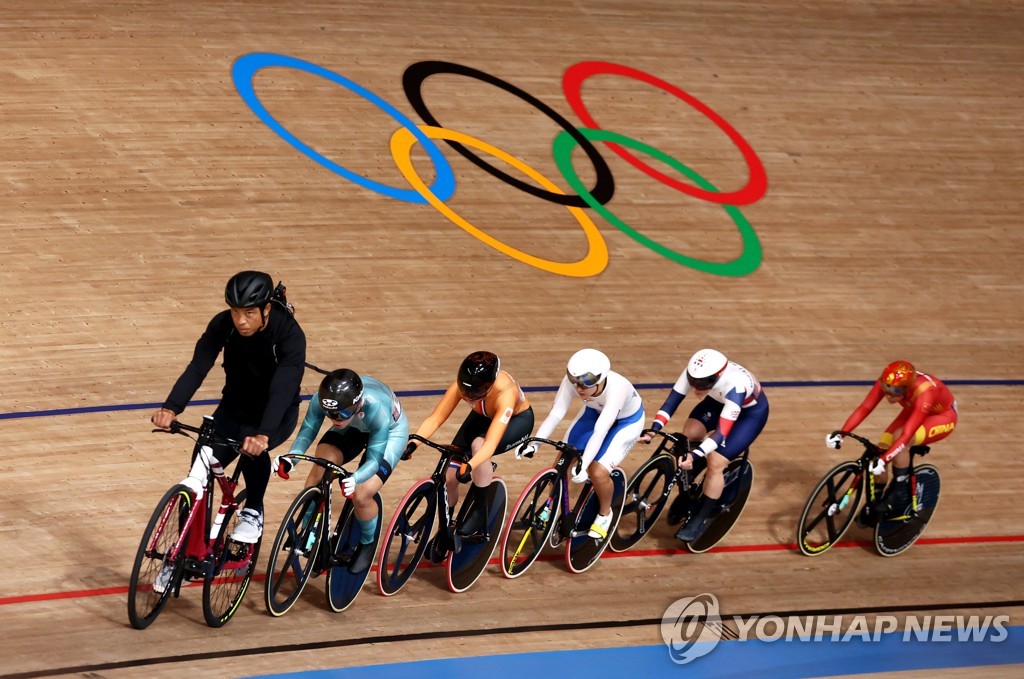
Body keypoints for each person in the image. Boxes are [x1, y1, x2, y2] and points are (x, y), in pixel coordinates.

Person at [151, 271, 306, 546]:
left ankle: (253, 511)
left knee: (251, 446)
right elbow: (198, 366)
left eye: (248, 313)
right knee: (197, 476)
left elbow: (282, 390)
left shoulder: (289, 335)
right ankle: (184, 555)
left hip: (275, 413)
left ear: (266, 308)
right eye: (235, 311)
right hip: (234, 406)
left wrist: (263, 435)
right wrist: (171, 407)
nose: (241, 320)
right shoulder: (224, 324)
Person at [273, 368, 408, 573]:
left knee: (362, 494)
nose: (335, 418)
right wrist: (291, 459)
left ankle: (366, 544)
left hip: (389, 433)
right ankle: (310, 531)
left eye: (341, 413)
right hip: (353, 425)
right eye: (330, 414)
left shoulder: (376, 408)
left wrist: (356, 478)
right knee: (319, 469)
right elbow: (307, 432)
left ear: (358, 404)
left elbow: (373, 460)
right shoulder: (327, 402)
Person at [405, 351, 534, 548]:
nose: (468, 396)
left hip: (516, 421)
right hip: (484, 414)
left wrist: (470, 465)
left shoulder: (506, 393)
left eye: (475, 392)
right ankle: (445, 529)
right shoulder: (464, 385)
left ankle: (480, 510)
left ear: (489, 385)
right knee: (449, 476)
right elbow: (436, 418)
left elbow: (489, 444)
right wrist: (415, 442)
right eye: (466, 392)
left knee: (478, 446)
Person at [641, 348, 768, 543]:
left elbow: (720, 434)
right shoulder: (696, 373)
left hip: (747, 415)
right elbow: (671, 403)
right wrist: (654, 428)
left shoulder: (736, 387)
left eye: (701, 385)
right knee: (689, 435)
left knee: (716, 461)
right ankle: (689, 489)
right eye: (693, 383)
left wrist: (696, 454)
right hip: (717, 401)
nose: (695, 389)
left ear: (717, 377)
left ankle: (700, 517)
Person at [525, 348, 644, 540]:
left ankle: (605, 513)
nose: (579, 389)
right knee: (562, 462)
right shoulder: (575, 381)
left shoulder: (617, 388)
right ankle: (555, 510)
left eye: (586, 384)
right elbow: (556, 413)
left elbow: (601, 430)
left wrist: (584, 464)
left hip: (626, 422)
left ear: (601, 378)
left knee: (597, 471)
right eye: (576, 383)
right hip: (594, 413)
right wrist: (535, 444)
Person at [826, 360, 957, 521]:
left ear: (906, 388)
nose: (888, 394)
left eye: (895, 390)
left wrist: (885, 459)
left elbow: (906, 435)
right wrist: (841, 434)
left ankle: (897, 492)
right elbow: (865, 408)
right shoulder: (889, 381)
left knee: (899, 438)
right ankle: (876, 503)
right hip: (914, 409)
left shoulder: (925, 392)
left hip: (941, 417)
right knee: (880, 449)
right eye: (886, 388)